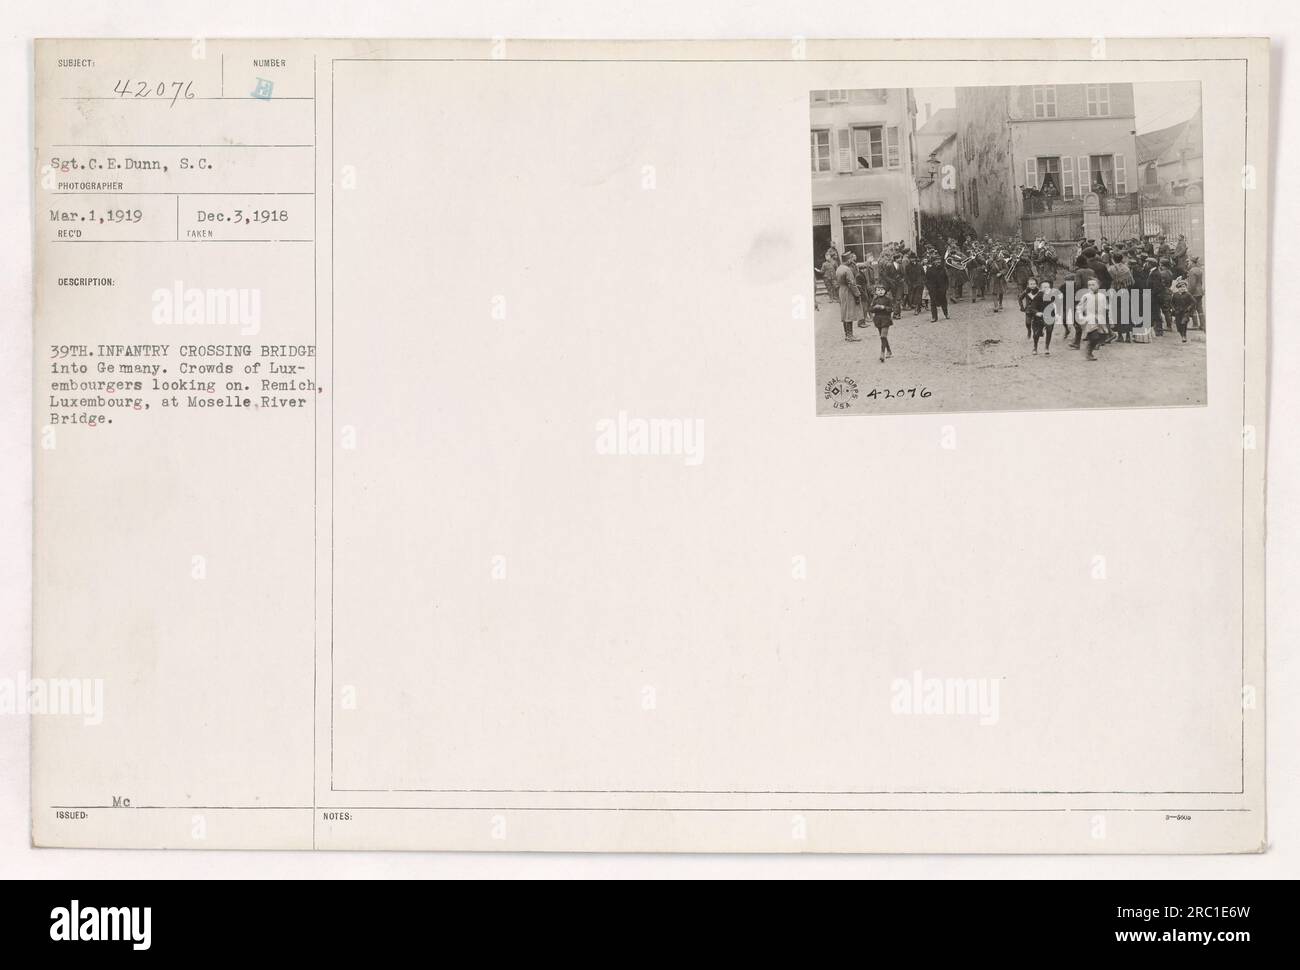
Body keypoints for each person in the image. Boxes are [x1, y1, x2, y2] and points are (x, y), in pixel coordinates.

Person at [1077, 277, 1109, 361]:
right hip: (1090, 318)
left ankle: (1091, 346)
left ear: (1098, 285)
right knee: (1094, 336)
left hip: (1100, 318)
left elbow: (1105, 308)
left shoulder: (1102, 296)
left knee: (1102, 336)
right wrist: (1081, 316)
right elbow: (1079, 307)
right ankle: (1088, 352)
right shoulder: (1085, 296)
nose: (1091, 286)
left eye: (1093, 284)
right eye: (1089, 285)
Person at [834, 254, 863, 341]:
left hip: (841, 291)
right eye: (850, 258)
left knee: (844, 312)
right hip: (848, 292)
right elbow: (851, 283)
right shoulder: (847, 269)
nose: (851, 260)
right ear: (848, 260)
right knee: (849, 313)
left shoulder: (839, 268)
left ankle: (847, 334)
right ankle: (850, 336)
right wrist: (857, 294)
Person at [869, 284, 895, 362]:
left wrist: (884, 307)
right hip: (878, 320)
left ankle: (882, 353)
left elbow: (891, 309)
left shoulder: (888, 299)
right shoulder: (875, 300)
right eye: (878, 290)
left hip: (886, 319)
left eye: (882, 290)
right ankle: (889, 351)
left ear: (885, 291)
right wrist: (874, 307)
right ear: (876, 292)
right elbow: (870, 309)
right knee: (882, 336)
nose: (880, 291)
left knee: (883, 336)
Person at [1168, 277, 1196, 343]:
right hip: (1177, 312)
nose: (1182, 288)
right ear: (1178, 288)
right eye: (1181, 287)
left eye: (1184, 287)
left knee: (1183, 323)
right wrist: (1173, 309)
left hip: (1185, 312)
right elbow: (1171, 303)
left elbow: (1194, 302)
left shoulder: (1188, 294)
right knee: (1178, 326)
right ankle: (1182, 334)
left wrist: (1189, 308)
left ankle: (1184, 336)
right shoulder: (1175, 295)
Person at [924, 256, 950, 321]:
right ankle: (934, 317)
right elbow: (926, 280)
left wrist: (945, 287)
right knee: (933, 303)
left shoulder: (942, 269)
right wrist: (930, 288)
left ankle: (946, 314)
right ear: (933, 262)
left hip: (942, 289)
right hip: (933, 290)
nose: (938, 261)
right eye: (936, 260)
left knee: (944, 302)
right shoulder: (929, 270)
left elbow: (946, 279)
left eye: (939, 260)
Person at [1187, 256, 1205, 331]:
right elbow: (1200, 282)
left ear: (1192, 262)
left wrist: (1189, 293)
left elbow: (1192, 284)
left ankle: (1195, 324)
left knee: (1193, 308)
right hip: (1200, 291)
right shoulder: (1199, 270)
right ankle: (1203, 325)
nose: (1188, 264)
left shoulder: (1192, 271)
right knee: (1200, 309)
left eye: (1189, 262)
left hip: (1194, 293)